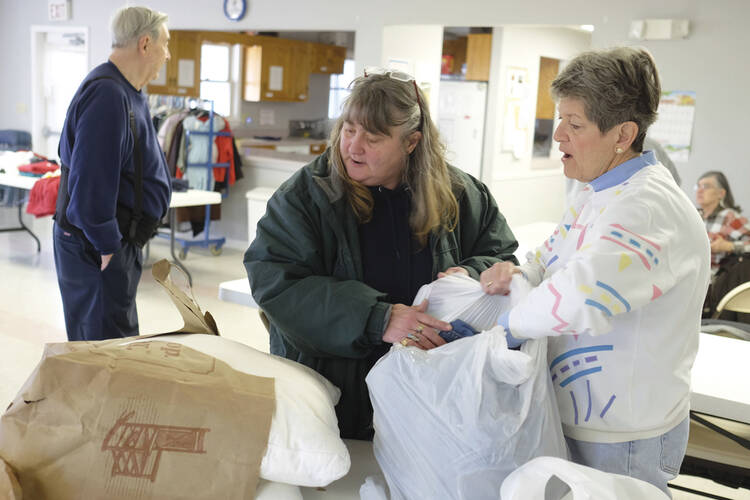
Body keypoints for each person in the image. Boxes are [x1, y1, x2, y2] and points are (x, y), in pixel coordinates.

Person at [481, 47, 710, 497]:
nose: (558, 136)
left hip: (622, 434)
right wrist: (516, 270)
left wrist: (500, 331)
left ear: (623, 133)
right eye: (560, 119)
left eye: (575, 124)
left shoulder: (647, 207)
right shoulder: (596, 191)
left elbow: (581, 293)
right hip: (582, 415)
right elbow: (552, 257)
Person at [244, 68, 518, 440]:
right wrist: (378, 318)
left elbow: (499, 255)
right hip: (338, 400)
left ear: (411, 142)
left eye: (372, 138)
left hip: (432, 399)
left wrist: (471, 275)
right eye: (348, 129)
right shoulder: (306, 197)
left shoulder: (462, 194)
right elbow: (276, 282)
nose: (353, 147)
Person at [54, 6, 172, 341]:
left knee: (114, 344)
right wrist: (108, 248)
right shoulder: (107, 94)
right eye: (165, 44)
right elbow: (90, 183)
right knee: (104, 353)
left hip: (114, 243)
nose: (168, 54)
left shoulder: (127, 91)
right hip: (99, 249)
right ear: (145, 44)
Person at [695, 171, 750, 321]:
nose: (699, 190)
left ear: (721, 193)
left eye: (706, 186)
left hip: (714, 280)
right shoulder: (693, 215)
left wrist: (729, 246)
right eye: (698, 186)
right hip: (690, 272)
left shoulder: (729, 217)